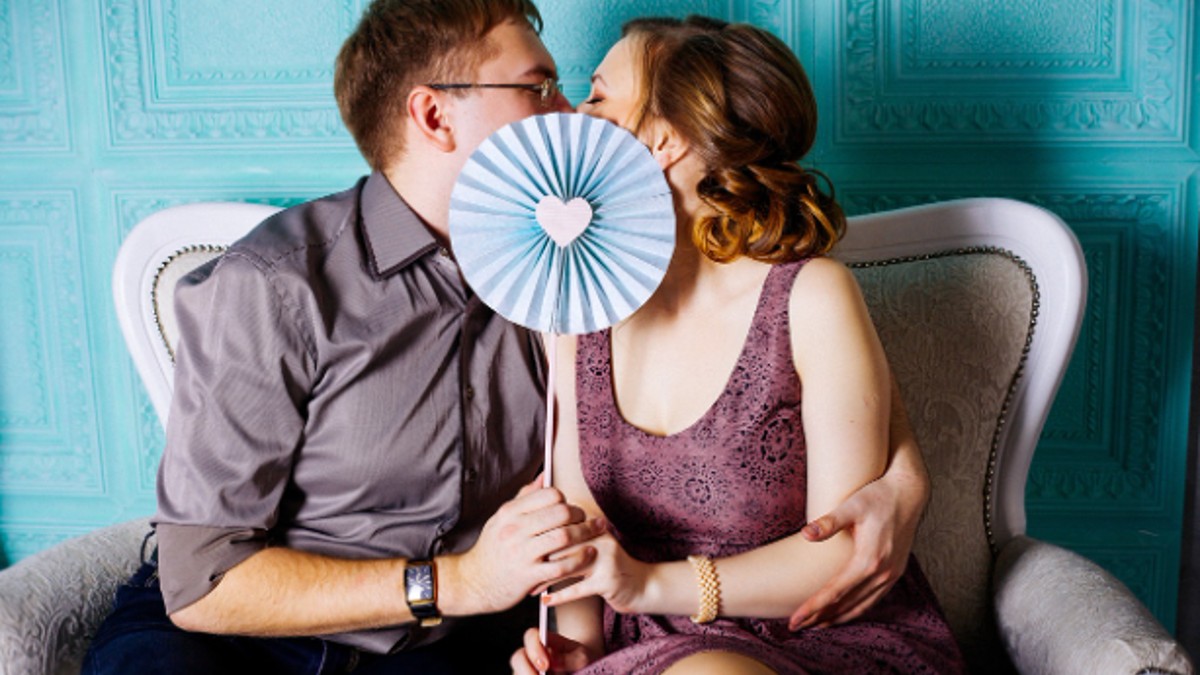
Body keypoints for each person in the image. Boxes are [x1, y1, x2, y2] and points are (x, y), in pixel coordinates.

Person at [83, 3, 931, 673]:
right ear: (434, 115)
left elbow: (781, 374)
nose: (566, 114)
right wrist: (465, 582)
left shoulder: (576, 276)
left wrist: (905, 475)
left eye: (579, 91)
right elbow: (201, 581)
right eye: (540, 87)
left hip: (448, 648)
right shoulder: (275, 284)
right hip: (243, 641)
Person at [513, 16, 965, 675]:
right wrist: (578, 649)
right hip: (645, 647)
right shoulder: (576, 308)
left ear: (664, 139)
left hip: (814, 635)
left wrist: (650, 584)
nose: (576, 114)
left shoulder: (810, 297)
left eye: (599, 96)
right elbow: (578, 519)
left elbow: (843, 551)